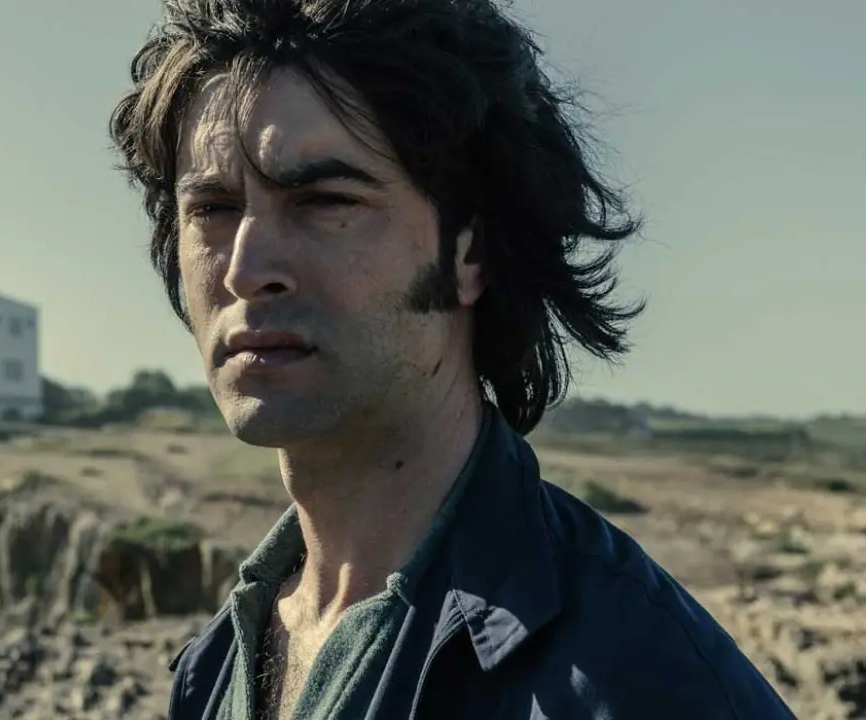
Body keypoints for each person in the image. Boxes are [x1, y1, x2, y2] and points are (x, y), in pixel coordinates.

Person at [109, 1, 796, 718]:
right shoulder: (217, 665)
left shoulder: (632, 682)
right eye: (213, 210)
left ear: (470, 252)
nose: (246, 270)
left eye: (323, 202)